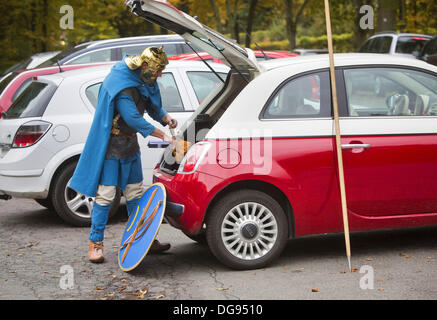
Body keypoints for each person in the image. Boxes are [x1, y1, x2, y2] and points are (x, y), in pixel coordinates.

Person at [69, 47, 177, 263]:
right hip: (112, 148)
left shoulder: (142, 80)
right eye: (158, 70)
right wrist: (163, 136)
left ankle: (143, 240)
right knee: (106, 196)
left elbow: (151, 105)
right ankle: (95, 243)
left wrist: (165, 117)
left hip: (130, 145)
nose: (160, 75)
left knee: (136, 194)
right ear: (146, 66)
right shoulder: (122, 83)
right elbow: (133, 118)